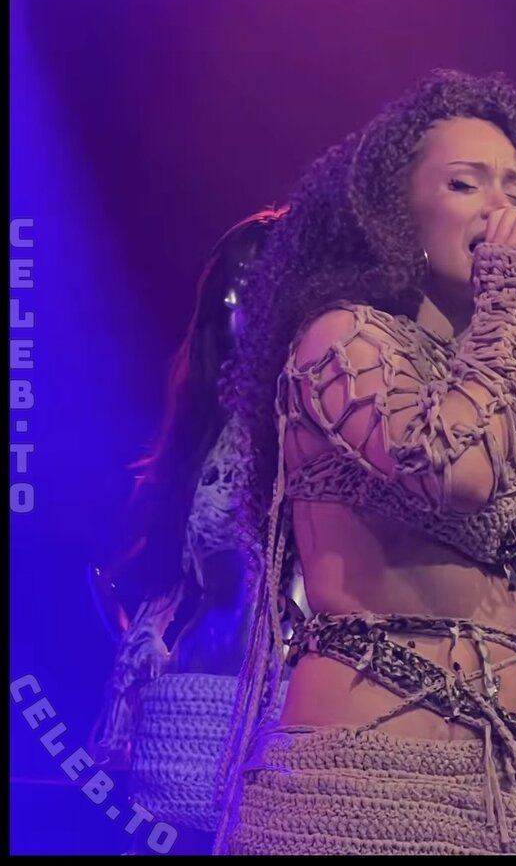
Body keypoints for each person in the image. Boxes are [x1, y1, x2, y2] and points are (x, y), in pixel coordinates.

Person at [212, 69, 516, 856]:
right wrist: (510, 297)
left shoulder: (493, 387)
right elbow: (455, 472)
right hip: (365, 790)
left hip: (512, 806)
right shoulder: (342, 339)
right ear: (396, 214)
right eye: (465, 183)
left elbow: (489, 652)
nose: (500, 208)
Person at [90, 207, 289, 854]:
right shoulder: (210, 430)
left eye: (258, 290)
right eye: (229, 296)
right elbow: (168, 570)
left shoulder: (327, 415)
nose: (240, 311)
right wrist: (146, 648)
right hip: (196, 702)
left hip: (290, 696)